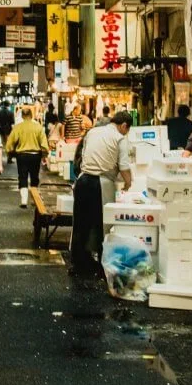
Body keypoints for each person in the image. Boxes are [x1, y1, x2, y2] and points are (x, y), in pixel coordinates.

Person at [70, 111, 134, 274]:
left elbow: (83, 155)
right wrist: (128, 183)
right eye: (127, 129)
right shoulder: (120, 138)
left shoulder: (93, 132)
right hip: (101, 182)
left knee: (80, 224)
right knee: (101, 225)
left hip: (83, 180)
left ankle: (78, 264)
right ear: (124, 125)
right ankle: (101, 266)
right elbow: (124, 166)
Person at [6, 106, 50, 209]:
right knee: (34, 177)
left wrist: (10, 152)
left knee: (23, 176)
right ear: (32, 115)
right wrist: (45, 155)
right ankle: (34, 199)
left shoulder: (18, 127)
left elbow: (10, 143)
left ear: (22, 116)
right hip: (35, 155)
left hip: (22, 156)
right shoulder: (38, 127)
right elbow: (44, 144)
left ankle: (24, 200)